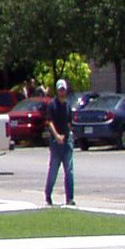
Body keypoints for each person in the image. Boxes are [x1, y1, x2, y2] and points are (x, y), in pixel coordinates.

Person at [44, 78, 75, 206]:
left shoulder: (68, 105)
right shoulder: (52, 105)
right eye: (60, 90)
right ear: (57, 91)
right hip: (56, 143)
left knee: (69, 171)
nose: (62, 92)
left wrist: (69, 135)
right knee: (53, 171)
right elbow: (49, 122)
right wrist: (56, 136)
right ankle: (48, 194)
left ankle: (70, 198)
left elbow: (69, 123)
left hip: (67, 143)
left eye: (64, 90)